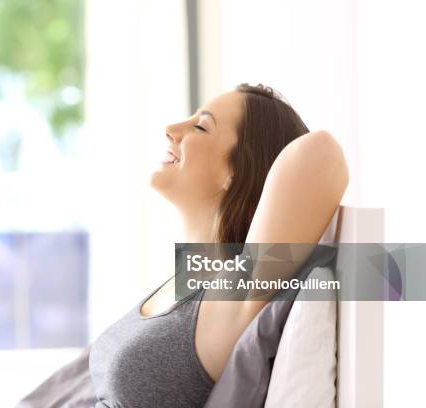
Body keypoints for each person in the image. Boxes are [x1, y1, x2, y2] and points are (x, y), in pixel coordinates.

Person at [88, 84, 349, 407]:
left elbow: (321, 152)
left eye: (200, 126)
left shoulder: (231, 295)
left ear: (236, 171)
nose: (170, 130)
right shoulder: (187, 280)